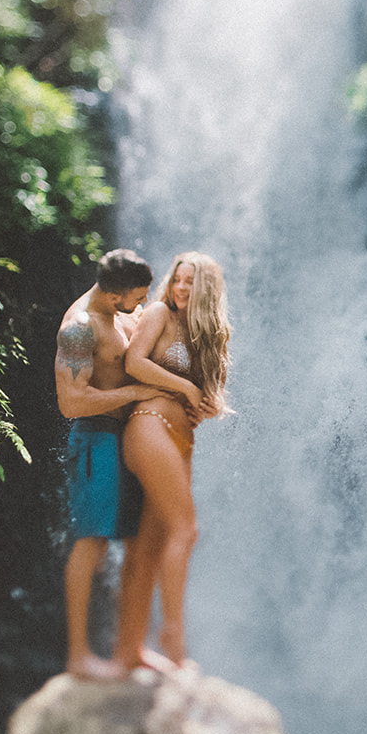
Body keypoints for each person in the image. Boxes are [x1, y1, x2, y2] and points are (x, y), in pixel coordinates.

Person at [112, 252, 231, 670]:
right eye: (178, 279)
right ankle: (173, 635)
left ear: (207, 291)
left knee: (150, 546)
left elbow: (208, 397)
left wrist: (204, 405)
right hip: (149, 427)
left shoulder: (207, 333)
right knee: (187, 530)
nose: (180, 288)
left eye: (190, 282)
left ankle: (130, 650)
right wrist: (183, 387)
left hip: (180, 438)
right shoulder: (159, 312)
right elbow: (135, 362)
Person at [55, 249, 164, 680]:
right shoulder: (80, 327)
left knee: (138, 544)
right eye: (136, 298)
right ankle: (78, 656)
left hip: (127, 441)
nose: (141, 304)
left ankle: (131, 649)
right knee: (92, 542)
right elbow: (70, 401)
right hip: (96, 439)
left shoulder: (120, 316)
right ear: (115, 294)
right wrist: (134, 396)